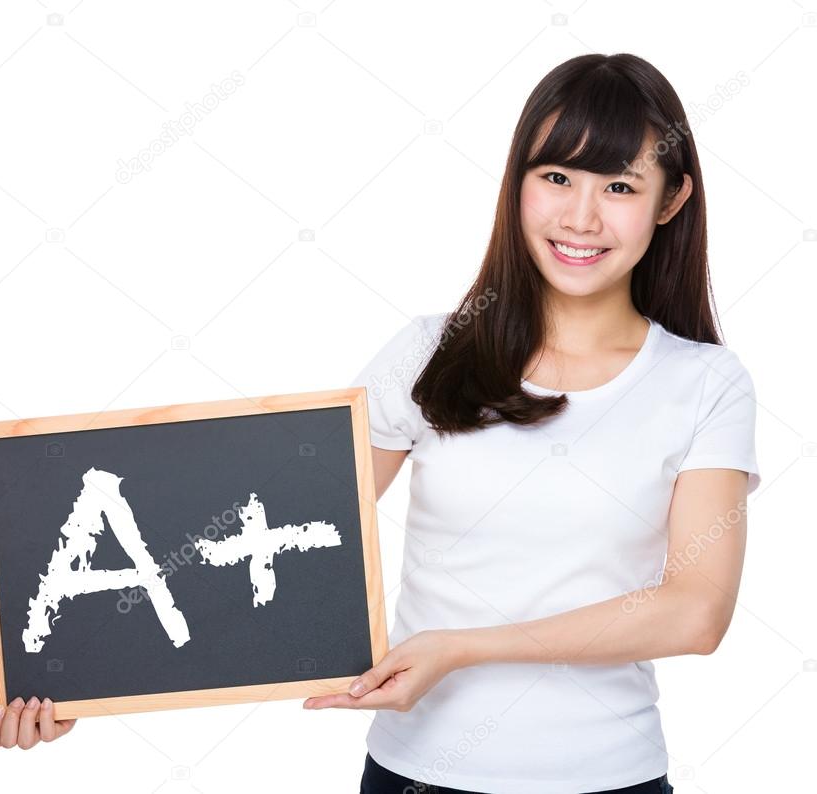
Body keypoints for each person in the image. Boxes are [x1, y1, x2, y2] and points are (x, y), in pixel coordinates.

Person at [299, 53, 760, 793]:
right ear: (518, 182)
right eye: (556, 177)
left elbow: (696, 611)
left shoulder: (704, 384)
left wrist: (464, 649)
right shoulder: (429, 353)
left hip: (611, 779)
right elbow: (294, 536)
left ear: (671, 200)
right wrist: (92, 667)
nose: (581, 217)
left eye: (618, 186)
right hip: (416, 774)